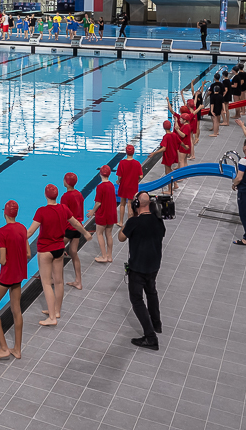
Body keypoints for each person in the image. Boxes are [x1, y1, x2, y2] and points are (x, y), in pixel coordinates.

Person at [119, 192, 166, 350]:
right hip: (154, 266)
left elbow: (120, 237)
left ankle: (150, 337)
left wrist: (129, 219)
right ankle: (156, 324)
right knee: (152, 292)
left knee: (137, 300)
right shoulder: (159, 221)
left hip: (138, 267)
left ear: (137, 204)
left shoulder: (134, 222)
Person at [0, 200, 31, 361]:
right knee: (16, 310)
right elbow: (28, 254)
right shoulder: (22, 228)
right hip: (18, 274)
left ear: (4, 213)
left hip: (6, 276)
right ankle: (17, 349)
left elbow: (3, 260)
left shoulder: (2, 232)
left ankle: (4, 348)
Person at [26, 185, 67, 326]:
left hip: (46, 250)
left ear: (45, 195)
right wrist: (85, 233)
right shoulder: (63, 208)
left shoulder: (42, 211)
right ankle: (56, 311)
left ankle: (52, 318)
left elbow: (30, 232)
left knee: (47, 283)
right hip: (60, 248)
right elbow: (73, 222)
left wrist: (17, 237)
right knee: (59, 281)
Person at [61, 172, 93, 292]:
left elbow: (64, 215)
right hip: (78, 227)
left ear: (66, 182)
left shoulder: (65, 197)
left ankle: (54, 279)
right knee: (73, 253)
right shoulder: (79, 194)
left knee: (54, 250)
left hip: (69, 228)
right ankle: (78, 281)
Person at [89, 165, 118, 263]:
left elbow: (98, 202)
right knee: (109, 234)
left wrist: (93, 211)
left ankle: (104, 256)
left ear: (100, 174)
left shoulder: (100, 187)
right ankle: (109, 256)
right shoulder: (111, 185)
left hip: (102, 214)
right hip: (111, 213)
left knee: (99, 233)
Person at [116, 145, 142, 225]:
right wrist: (136, 181)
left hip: (123, 186)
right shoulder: (137, 163)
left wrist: (118, 181)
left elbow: (119, 176)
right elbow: (141, 176)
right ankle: (129, 223)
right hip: (133, 186)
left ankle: (120, 222)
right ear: (133, 152)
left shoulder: (122, 163)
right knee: (130, 203)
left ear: (126, 152)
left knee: (122, 203)